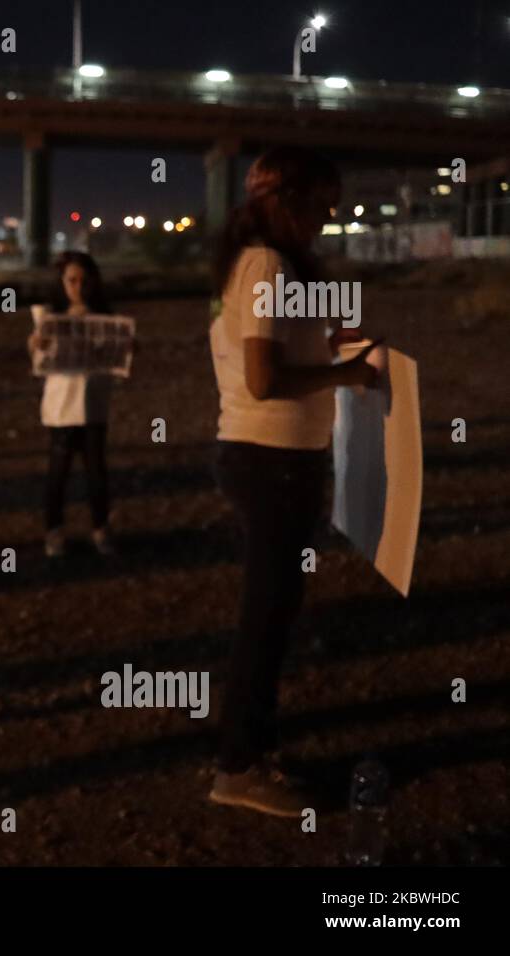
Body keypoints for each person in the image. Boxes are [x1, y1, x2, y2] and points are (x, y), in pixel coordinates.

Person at [207, 145, 383, 817]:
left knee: (273, 612)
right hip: (272, 458)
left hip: (268, 456)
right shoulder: (267, 266)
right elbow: (264, 378)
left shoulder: (256, 262)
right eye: (318, 207)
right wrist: (344, 376)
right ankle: (239, 767)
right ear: (282, 201)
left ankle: (251, 749)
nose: (324, 222)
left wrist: (336, 351)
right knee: (266, 617)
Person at [28, 251, 119, 558]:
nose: (78, 286)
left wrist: (127, 349)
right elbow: (39, 362)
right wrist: (35, 345)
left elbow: (117, 361)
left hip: (94, 407)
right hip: (61, 408)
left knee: (97, 472)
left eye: (83, 280)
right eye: (71, 280)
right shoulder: (51, 318)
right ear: (62, 282)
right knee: (58, 474)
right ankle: (54, 531)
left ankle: (101, 528)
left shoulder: (105, 318)